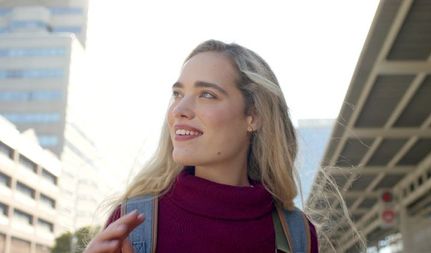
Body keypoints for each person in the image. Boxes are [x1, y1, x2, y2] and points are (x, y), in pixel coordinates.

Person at [84, 39, 319, 253]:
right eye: (178, 94)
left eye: (206, 94)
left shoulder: (297, 235)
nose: (178, 110)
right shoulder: (132, 226)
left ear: (253, 116)